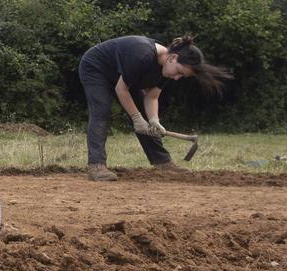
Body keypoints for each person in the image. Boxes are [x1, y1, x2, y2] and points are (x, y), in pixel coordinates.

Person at [79, 34, 233, 180]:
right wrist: (136, 118)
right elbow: (121, 89)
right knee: (101, 111)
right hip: (96, 68)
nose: (177, 78)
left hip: (122, 77)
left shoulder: (166, 70)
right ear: (173, 58)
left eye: (181, 76)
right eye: (179, 72)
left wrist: (154, 120)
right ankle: (96, 166)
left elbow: (152, 96)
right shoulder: (142, 55)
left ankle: (162, 162)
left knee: (145, 117)